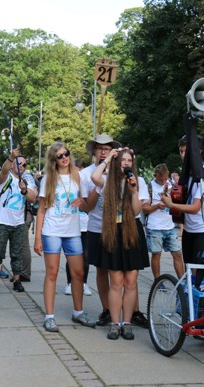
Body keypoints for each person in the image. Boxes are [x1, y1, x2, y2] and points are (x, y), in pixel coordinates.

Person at [160, 135, 204, 343]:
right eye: (182, 151)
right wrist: (173, 195)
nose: (184, 155)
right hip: (190, 230)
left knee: (202, 278)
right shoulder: (189, 174)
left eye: (188, 151)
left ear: (198, 151)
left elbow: (195, 208)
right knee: (191, 274)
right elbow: (184, 201)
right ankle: (195, 317)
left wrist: (171, 204)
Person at [34, 142, 96, 332]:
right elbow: (41, 211)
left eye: (66, 154)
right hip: (52, 231)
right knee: (52, 273)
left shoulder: (78, 176)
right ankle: (50, 316)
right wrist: (37, 238)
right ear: (53, 160)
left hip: (72, 231)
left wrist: (82, 202)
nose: (64, 158)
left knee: (78, 273)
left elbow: (86, 206)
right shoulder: (48, 180)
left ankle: (78, 312)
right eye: (59, 156)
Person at [90, 147, 149, 340]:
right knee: (116, 282)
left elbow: (137, 210)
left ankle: (127, 323)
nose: (126, 163)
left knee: (130, 282)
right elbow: (94, 176)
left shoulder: (138, 181)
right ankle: (115, 324)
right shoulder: (108, 180)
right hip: (113, 232)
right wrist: (108, 158)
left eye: (129, 160)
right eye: (123, 160)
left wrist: (133, 192)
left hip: (132, 232)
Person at [79, 134, 121, 327]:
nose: (103, 151)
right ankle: (106, 309)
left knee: (118, 272)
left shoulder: (119, 169)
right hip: (96, 227)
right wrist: (98, 186)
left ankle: (122, 311)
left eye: (107, 148)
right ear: (94, 151)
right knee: (101, 270)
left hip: (118, 227)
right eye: (100, 148)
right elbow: (86, 207)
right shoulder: (86, 174)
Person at [0, 148, 37, 293]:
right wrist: (11, 157)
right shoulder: (6, 177)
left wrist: (24, 190)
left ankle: (17, 280)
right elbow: (4, 170)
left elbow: (33, 198)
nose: (21, 166)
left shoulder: (27, 180)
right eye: (18, 163)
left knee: (16, 253)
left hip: (19, 223)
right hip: (2, 222)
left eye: (24, 165)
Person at [144, 163, 184, 279]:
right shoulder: (149, 187)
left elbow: (176, 203)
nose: (163, 181)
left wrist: (169, 198)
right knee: (156, 254)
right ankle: (158, 281)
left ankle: (181, 281)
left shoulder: (171, 185)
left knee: (177, 253)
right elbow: (145, 208)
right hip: (154, 227)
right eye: (160, 179)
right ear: (155, 175)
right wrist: (157, 206)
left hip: (170, 226)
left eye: (165, 178)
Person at [63, 158, 92, 297]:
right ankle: (70, 283)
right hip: (72, 225)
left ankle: (84, 283)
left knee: (85, 256)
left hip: (85, 225)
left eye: (79, 169)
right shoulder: (68, 184)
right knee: (72, 256)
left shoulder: (85, 182)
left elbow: (88, 205)